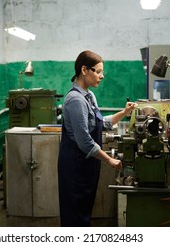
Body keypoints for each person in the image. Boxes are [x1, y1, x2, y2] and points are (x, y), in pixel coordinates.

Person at [57, 50, 137, 227]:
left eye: (102, 72)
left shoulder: (89, 96)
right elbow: (85, 141)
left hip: (86, 165)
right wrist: (110, 160)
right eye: (98, 72)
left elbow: (102, 123)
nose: (101, 76)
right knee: (75, 215)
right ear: (84, 70)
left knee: (84, 211)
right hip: (75, 166)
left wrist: (124, 113)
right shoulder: (75, 100)